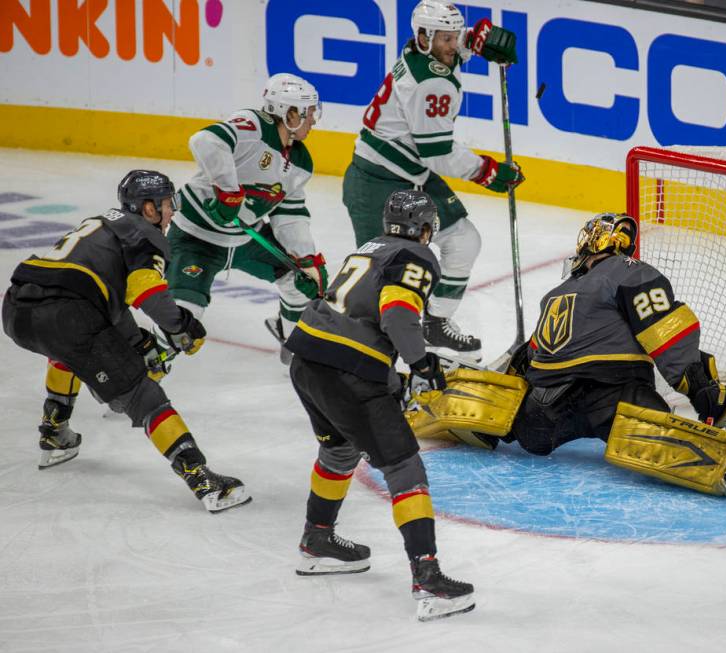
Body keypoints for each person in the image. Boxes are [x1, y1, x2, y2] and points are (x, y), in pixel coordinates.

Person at [405, 212, 726, 497]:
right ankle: (725, 459)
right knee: (650, 427)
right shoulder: (630, 272)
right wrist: (703, 389)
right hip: (612, 396)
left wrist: (494, 397)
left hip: (541, 412)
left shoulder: (556, 292)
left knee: (522, 421)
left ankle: (437, 400)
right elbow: (667, 332)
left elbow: (527, 355)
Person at [1, 170, 251, 513]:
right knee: (143, 394)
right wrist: (181, 327)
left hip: (18, 308)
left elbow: (100, 296)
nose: (171, 211)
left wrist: (136, 342)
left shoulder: (103, 223)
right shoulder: (144, 235)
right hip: (67, 315)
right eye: (166, 203)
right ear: (148, 208)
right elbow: (145, 291)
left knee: (67, 350)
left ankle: (54, 431)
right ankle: (201, 478)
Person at [285, 189, 474, 621]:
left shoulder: (368, 251)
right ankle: (428, 578)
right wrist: (421, 363)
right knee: (404, 464)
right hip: (347, 369)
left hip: (307, 359)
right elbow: (396, 316)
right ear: (425, 228)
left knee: (338, 448)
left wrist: (393, 377)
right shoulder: (417, 256)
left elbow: (361, 318)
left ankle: (317, 540)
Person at [342, 0, 524, 361]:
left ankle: (435, 324)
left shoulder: (424, 51)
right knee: (379, 276)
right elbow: (437, 153)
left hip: (411, 175)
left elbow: (453, 51)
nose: (452, 45)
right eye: (445, 38)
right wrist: (487, 172)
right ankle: (352, 348)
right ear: (423, 37)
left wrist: (476, 40)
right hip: (376, 183)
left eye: (455, 36)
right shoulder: (429, 84)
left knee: (464, 240)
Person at [167, 72, 329, 364]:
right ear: (288, 112)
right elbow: (204, 141)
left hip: (245, 239)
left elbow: (289, 216)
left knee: (297, 279)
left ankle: (297, 354)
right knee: (181, 321)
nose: (313, 119)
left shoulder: (301, 162)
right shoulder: (253, 125)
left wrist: (306, 260)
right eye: (308, 112)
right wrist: (228, 190)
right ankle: (134, 379)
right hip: (196, 237)